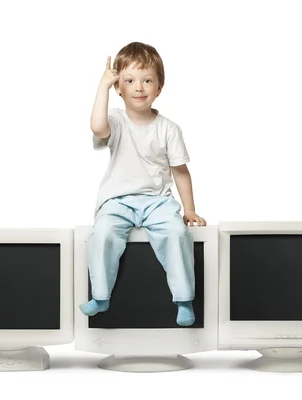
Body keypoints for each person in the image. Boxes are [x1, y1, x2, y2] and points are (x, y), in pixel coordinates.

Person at [79, 42, 206, 326]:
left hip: (157, 202)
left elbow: (180, 172)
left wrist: (189, 210)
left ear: (159, 87)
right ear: (119, 88)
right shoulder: (115, 120)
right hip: (117, 200)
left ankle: (184, 300)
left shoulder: (169, 129)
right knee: (103, 234)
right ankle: (101, 296)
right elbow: (97, 128)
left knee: (176, 234)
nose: (139, 87)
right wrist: (102, 86)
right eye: (130, 81)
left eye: (147, 80)